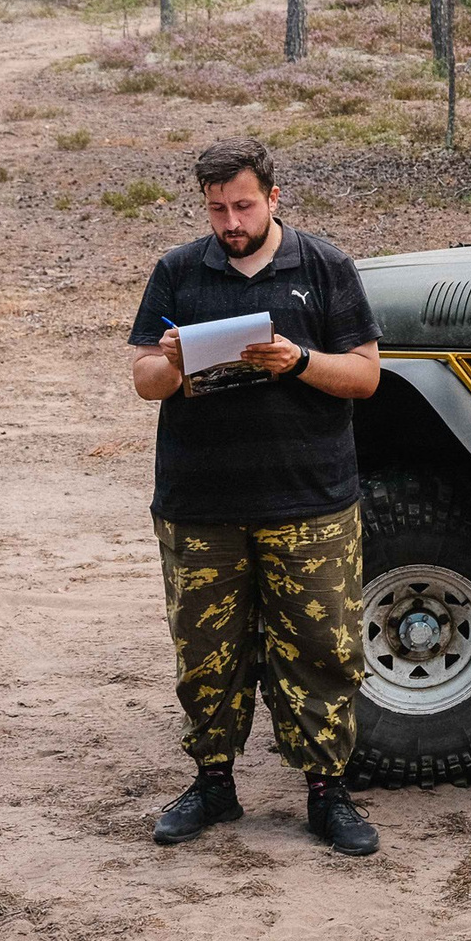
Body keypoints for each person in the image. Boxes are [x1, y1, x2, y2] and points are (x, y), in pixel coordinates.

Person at [128, 138, 384, 855]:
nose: (230, 221)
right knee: (207, 653)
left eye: (242, 205)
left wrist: (297, 360)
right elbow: (143, 378)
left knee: (320, 649)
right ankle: (212, 782)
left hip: (310, 501)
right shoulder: (179, 271)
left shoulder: (326, 266)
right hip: (200, 505)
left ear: (274, 199)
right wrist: (172, 362)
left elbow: (365, 376)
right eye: (217, 209)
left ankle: (328, 793)